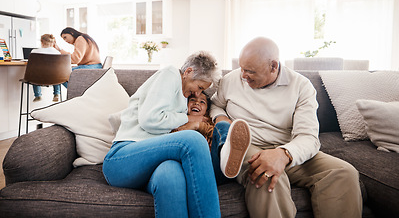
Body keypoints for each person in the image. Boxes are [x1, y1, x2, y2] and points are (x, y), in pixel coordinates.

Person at [210, 37, 362, 218]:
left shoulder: (301, 86)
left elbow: (308, 137)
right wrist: (221, 118)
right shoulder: (231, 79)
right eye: (241, 68)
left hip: (287, 146)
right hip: (246, 144)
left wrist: (284, 154)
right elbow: (216, 104)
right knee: (265, 174)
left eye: (249, 71)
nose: (242, 75)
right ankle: (228, 157)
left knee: (343, 173)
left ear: (273, 66)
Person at [102, 51, 222, 218]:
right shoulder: (170, 74)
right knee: (193, 140)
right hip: (121, 159)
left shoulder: (182, 99)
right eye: (200, 87)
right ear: (188, 72)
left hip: (153, 165)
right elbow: (150, 119)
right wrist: (190, 119)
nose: (197, 94)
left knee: (171, 176)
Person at [31, 34, 62, 102]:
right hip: (54, 79)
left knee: (34, 73)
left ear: (41, 42)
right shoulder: (57, 53)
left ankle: (38, 95)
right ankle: (56, 94)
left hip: (38, 78)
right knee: (57, 74)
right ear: (53, 43)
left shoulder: (34, 52)